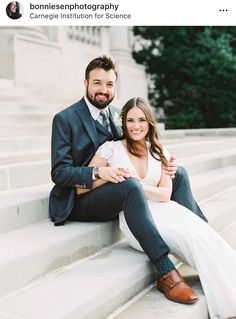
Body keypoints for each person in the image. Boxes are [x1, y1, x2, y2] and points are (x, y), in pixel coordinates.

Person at [49, 56, 207, 305]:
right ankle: (165, 271)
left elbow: (134, 143)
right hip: (81, 198)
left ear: (115, 86)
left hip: (117, 189)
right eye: (97, 83)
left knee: (179, 174)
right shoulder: (65, 119)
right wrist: (98, 173)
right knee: (131, 184)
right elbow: (59, 173)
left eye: (109, 84)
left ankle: (206, 243)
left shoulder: (116, 113)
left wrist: (164, 162)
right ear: (85, 83)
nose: (103, 90)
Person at [77, 97, 236, 319]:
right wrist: (111, 176)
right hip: (138, 219)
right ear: (123, 123)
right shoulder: (110, 150)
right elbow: (80, 189)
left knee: (205, 235)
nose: (135, 126)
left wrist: (139, 185)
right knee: (191, 238)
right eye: (130, 120)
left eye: (141, 120)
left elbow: (165, 194)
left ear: (149, 122)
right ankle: (168, 274)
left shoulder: (158, 150)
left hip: (166, 209)